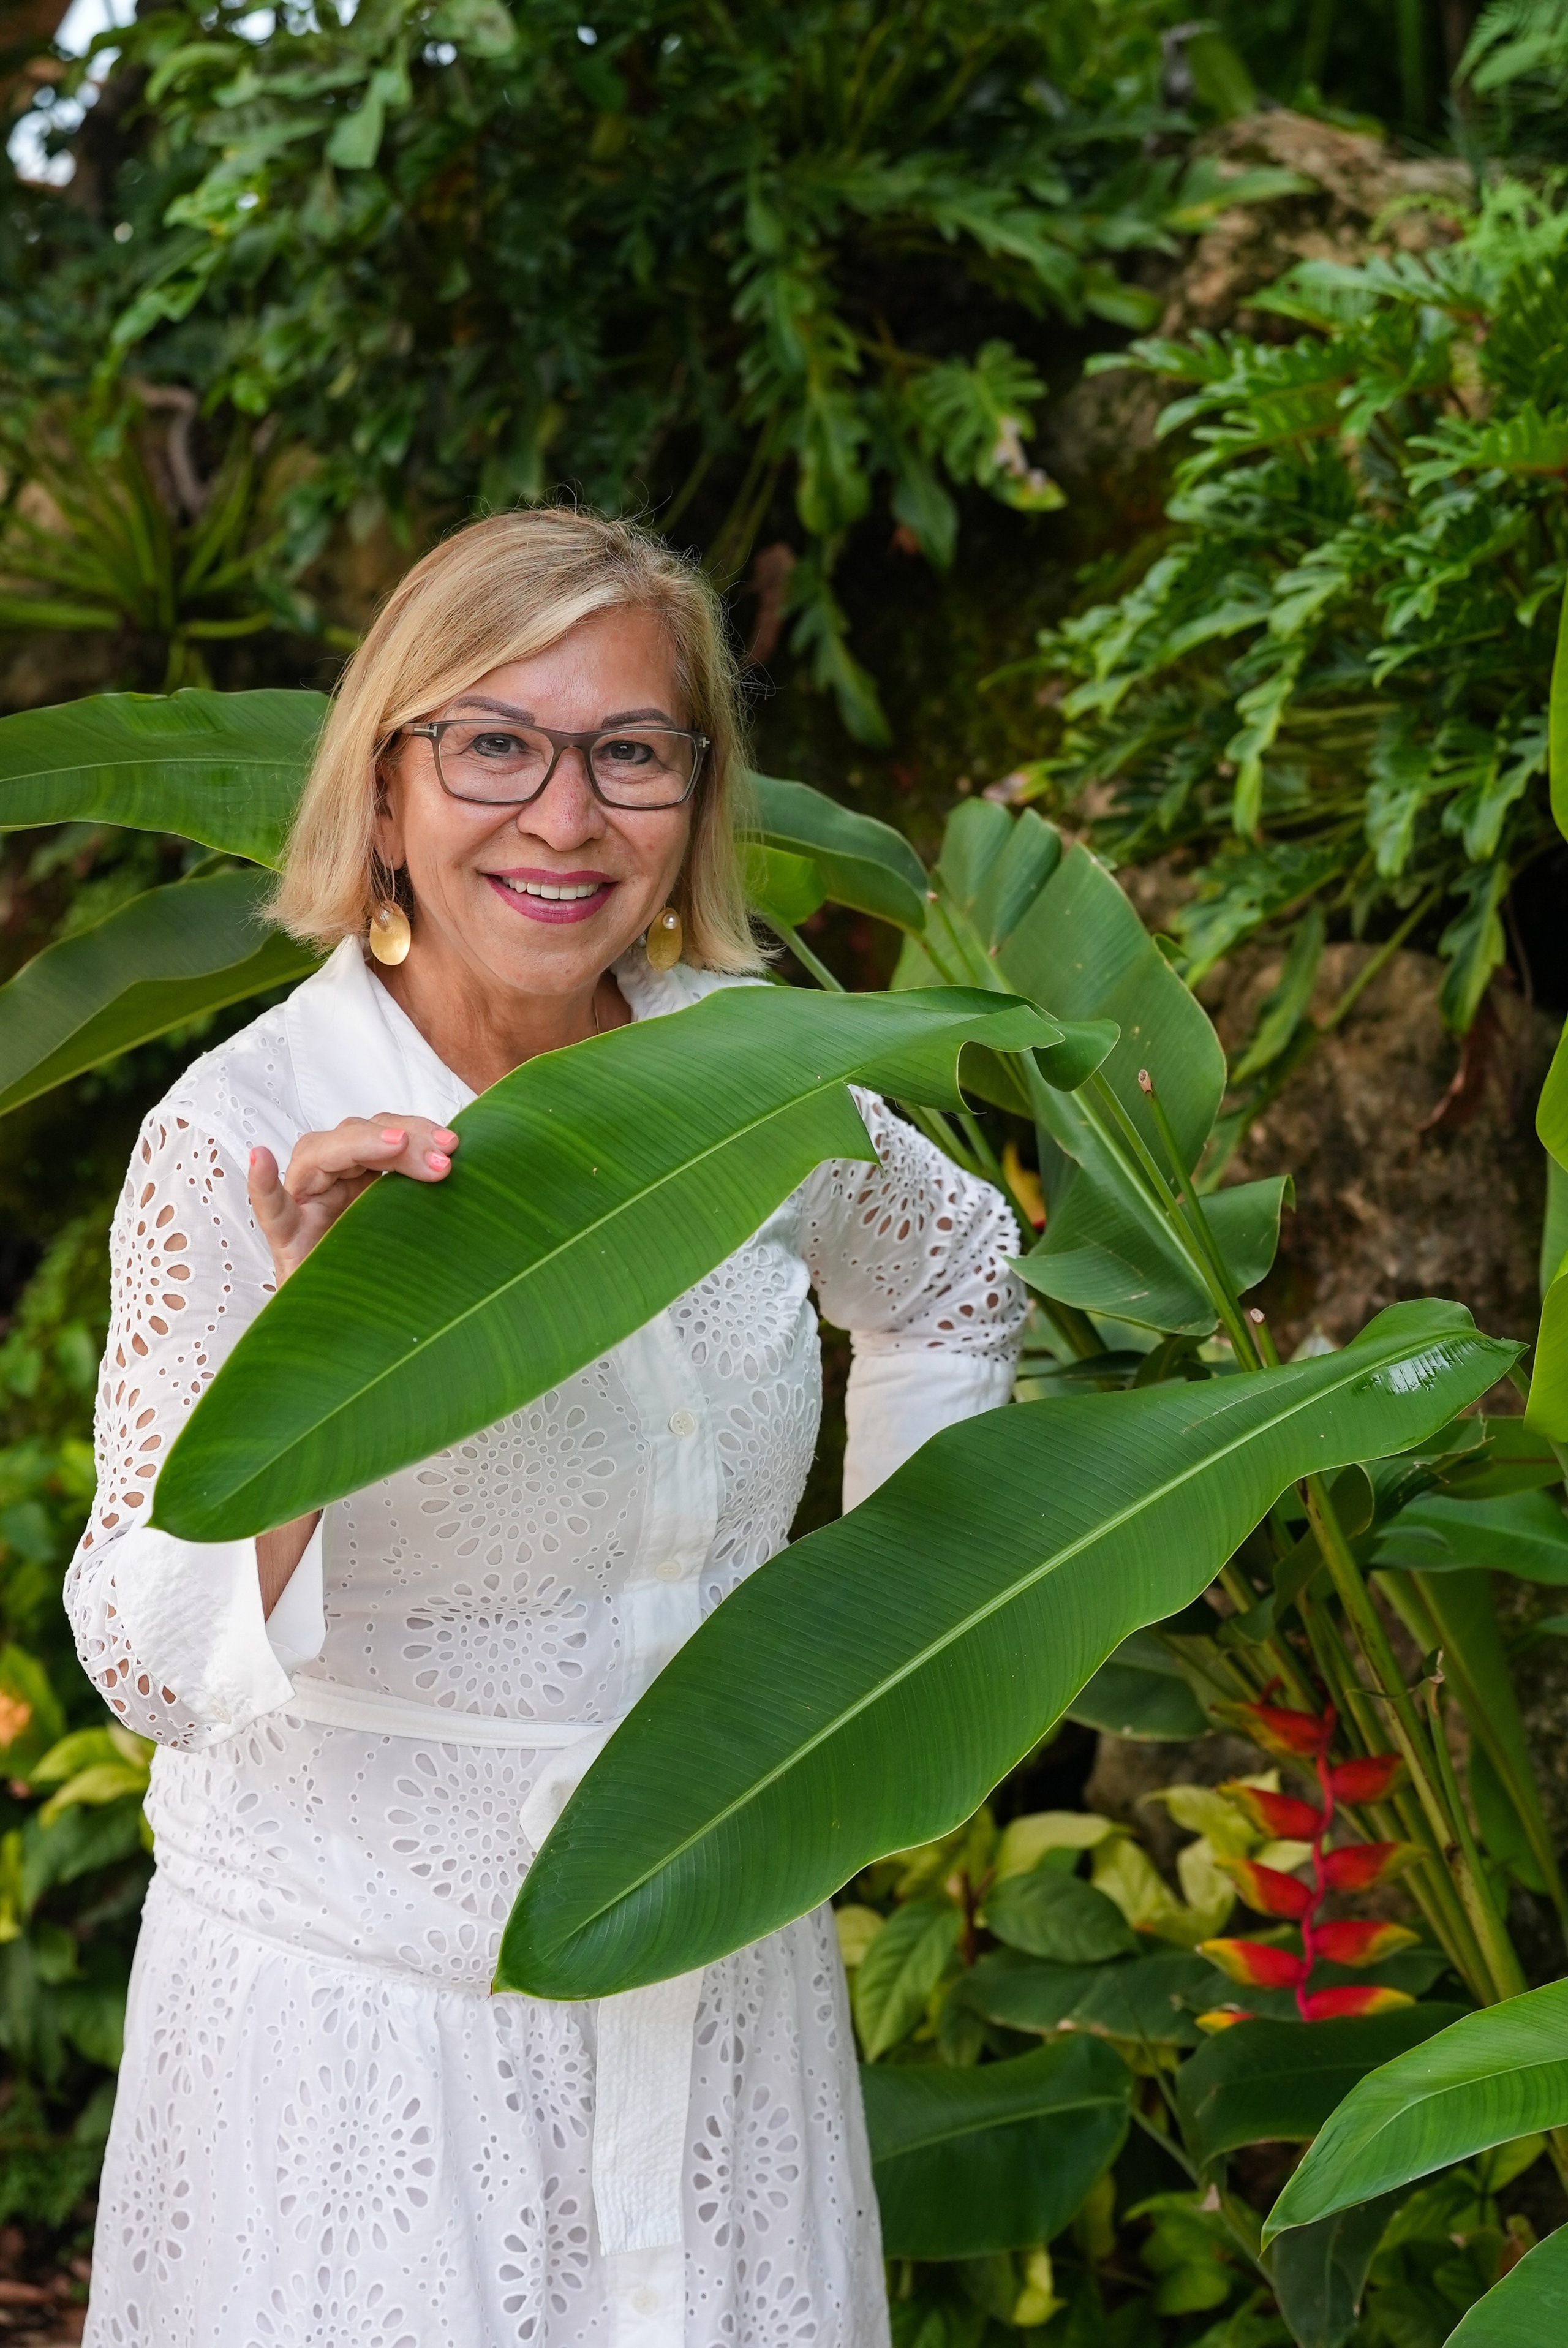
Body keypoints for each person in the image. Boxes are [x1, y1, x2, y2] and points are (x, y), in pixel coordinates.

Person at [66, 507, 1025, 2348]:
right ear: (393, 780)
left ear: (695, 794)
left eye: (631, 751)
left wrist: (885, 1669)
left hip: (720, 1979)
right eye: (496, 742)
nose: (566, 817)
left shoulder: (743, 1069)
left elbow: (954, 1266)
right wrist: (321, 1358)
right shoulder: (245, 1129)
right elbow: (146, 1661)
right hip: (375, 2050)